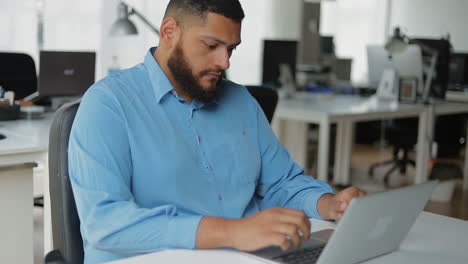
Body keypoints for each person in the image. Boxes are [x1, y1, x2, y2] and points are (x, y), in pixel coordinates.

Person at [69, 0, 366, 263]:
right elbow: (104, 223)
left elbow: (281, 184)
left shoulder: (241, 102)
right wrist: (233, 232)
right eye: (211, 46)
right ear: (169, 32)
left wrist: (329, 204)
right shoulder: (109, 103)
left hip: (244, 256)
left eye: (231, 49)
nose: (224, 62)